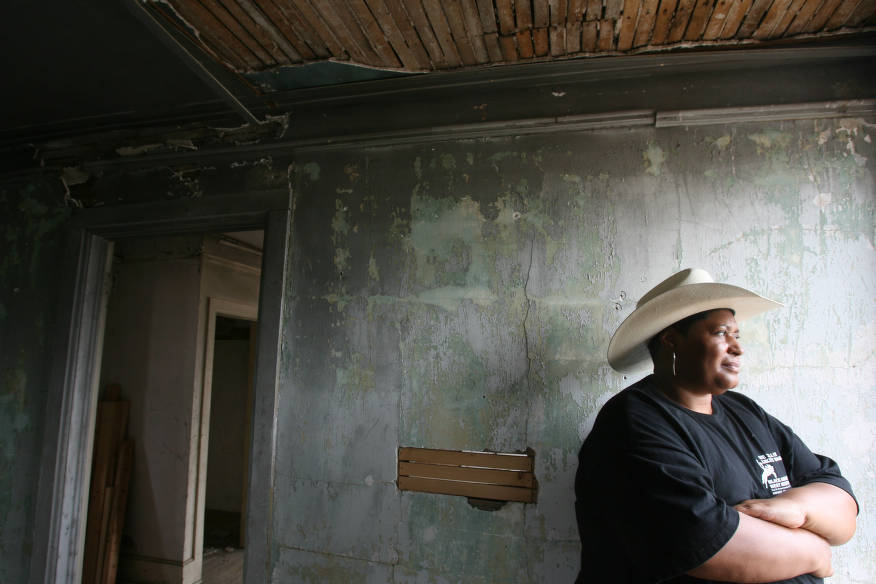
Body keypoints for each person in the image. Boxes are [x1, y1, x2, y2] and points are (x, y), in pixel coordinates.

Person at [575, 268, 857, 583]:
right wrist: (814, 551)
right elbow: (704, 542)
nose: (737, 348)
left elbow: (842, 507)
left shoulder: (745, 411)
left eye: (736, 335)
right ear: (672, 340)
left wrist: (796, 509)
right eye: (721, 333)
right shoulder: (633, 422)